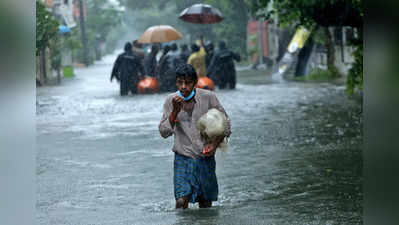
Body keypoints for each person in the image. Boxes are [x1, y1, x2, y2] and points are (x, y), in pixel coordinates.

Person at [158, 64, 231, 209]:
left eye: (188, 82)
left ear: (195, 83)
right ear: (176, 82)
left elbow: (226, 124)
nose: (183, 87)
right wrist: (174, 113)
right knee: (181, 201)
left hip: (205, 158)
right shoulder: (170, 101)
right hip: (182, 158)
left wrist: (214, 145)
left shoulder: (208, 97)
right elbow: (163, 132)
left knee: (205, 204)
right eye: (180, 82)